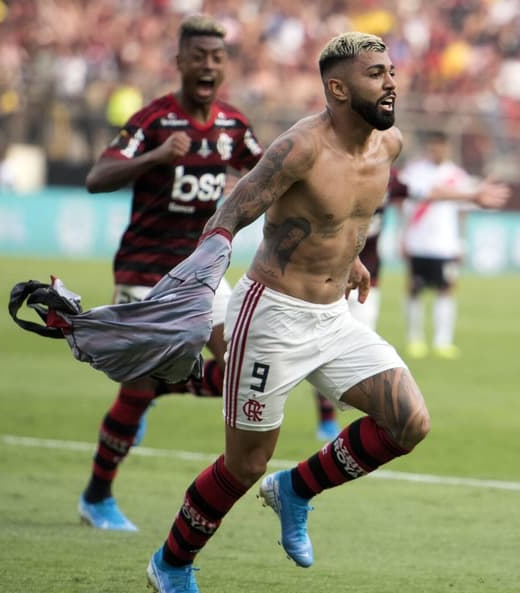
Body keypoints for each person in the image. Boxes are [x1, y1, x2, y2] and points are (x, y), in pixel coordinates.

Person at [145, 32, 431, 593]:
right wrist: (203, 272)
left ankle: (295, 489)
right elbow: (230, 212)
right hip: (271, 317)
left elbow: (344, 217)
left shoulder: (390, 145)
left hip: (334, 317)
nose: (391, 83)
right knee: (244, 465)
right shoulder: (301, 147)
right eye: (376, 74)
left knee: (408, 422)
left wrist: (349, 259)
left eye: (391, 71)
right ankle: (170, 564)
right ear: (338, 89)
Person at [77, 14, 263, 532]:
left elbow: (269, 173)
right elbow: (98, 176)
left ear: (225, 66)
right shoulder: (153, 121)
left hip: (204, 268)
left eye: (217, 57)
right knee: (134, 391)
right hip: (146, 269)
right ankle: (96, 496)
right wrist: (157, 157)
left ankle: (159, 385)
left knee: (241, 371)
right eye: (198, 56)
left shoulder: (233, 126)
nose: (208, 65)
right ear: (179, 62)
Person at [313, 168, 407, 441]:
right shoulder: (344, 170)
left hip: (370, 280)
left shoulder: (393, 178)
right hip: (332, 277)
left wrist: (470, 195)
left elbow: (425, 191)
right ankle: (327, 420)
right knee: (322, 348)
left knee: (365, 349)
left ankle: (371, 415)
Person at [398, 131, 509, 360]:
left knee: (446, 290)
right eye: (433, 147)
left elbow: (462, 212)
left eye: (441, 147)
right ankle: (415, 339)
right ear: (428, 148)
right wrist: (403, 237)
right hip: (418, 242)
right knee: (414, 290)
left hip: (445, 244)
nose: (437, 151)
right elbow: (403, 206)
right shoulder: (414, 172)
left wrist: (461, 242)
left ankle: (443, 341)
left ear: (447, 149)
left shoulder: (457, 175)